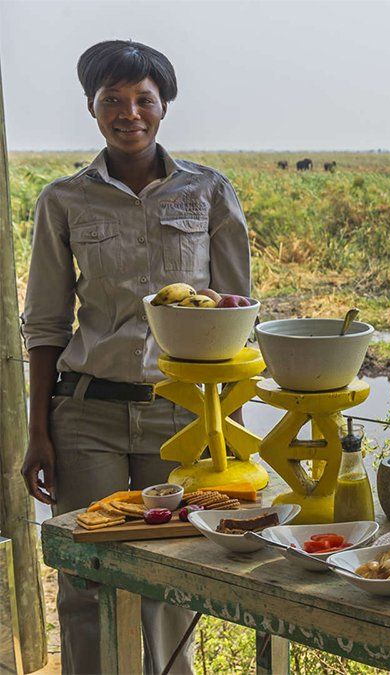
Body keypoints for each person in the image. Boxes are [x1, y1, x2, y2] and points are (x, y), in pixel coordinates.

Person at [19, 40, 251, 675]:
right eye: (112, 100)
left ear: (165, 106)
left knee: (172, 578)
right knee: (87, 577)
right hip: (86, 416)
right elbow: (44, 324)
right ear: (92, 108)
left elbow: (236, 318)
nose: (130, 113)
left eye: (143, 99)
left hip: (179, 415)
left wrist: (227, 426)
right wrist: (38, 431)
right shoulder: (63, 200)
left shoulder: (209, 193)